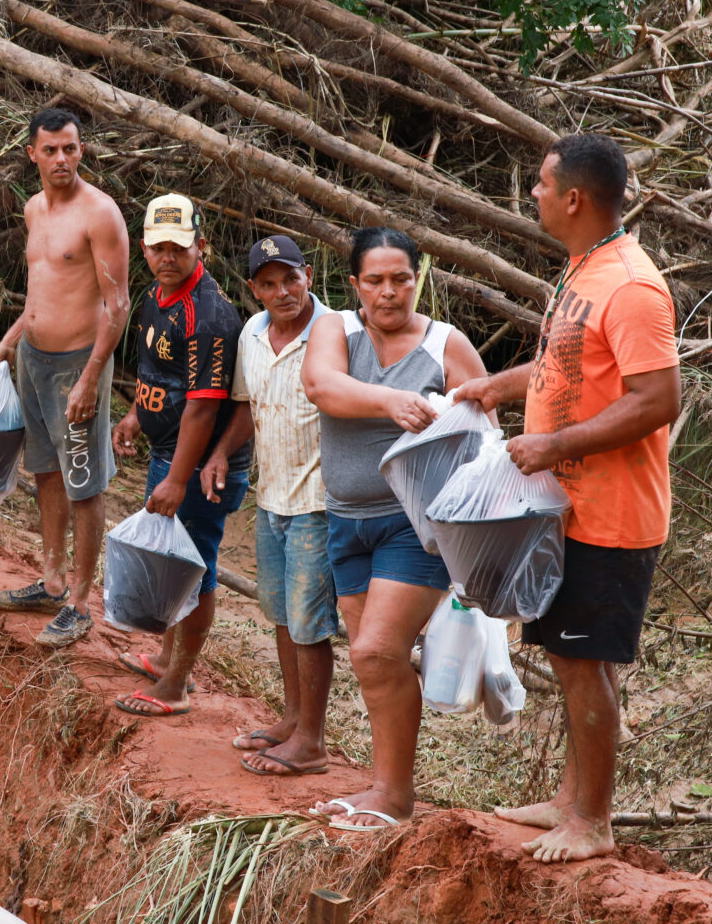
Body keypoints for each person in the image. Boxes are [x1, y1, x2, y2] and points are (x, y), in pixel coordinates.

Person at [455, 134, 679, 863]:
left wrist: (555, 446)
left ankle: (594, 822)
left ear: (574, 198)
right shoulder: (585, 268)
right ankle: (568, 799)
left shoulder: (634, 287)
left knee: (585, 664)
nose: (534, 196)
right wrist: (498, 385)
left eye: (541, 185)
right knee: (570, 658)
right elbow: (564, 365)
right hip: (567, 510)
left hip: (611, 519)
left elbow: (658, 399)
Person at [299, 226, 488, 828]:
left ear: (418, 278)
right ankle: (388, 786)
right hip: (346, 521)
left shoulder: (444, 345)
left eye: (401, 279)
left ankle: (393, 796)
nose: (389, 292)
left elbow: (485, 427)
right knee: (371, 658)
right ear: (354, 285)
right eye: (375, 281)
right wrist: (388, 403)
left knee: (379, 651)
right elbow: (320, 385)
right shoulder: (336, 330)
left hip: (416, 525)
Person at [0, 108, 129, 648]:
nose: (62, 159)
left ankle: (80, 603)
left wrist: (92, 377)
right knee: (45, 470)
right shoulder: (33, 210)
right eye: (51, 150)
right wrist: (6, 342)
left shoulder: (100, 214)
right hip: (33, 359)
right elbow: (41, 287)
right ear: (33, 154)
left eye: (70, 148)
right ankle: (50, 579)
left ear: (82, 150)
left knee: (84, 482)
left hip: (76, 365)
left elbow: (116, 303)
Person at [202, 235, 337, 774]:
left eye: (291, 279)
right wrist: (219, 454)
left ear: (308, 275)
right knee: (281, 614)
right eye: (269, 283)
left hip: (320, 501)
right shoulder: (253, 335)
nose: (283, 292)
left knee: (308, 623)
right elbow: (247, 409)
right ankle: (291, 719)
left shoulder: (337, 333)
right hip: (272, 495)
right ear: (254, 290)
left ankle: (312, 741)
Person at [109, 195, 249, 712]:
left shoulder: (208, 315)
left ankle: (177, 684)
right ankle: (167, 660)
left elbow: (201, 410)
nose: (168, 257)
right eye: (158, 247)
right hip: (169, 454)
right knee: (175, 562)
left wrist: (177, 479)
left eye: (180, 248)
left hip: (196, 466)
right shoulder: (157, 294)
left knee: (195, 569)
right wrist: (135, 416)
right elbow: (158, 378)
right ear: (143, 247)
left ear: (201, 246)